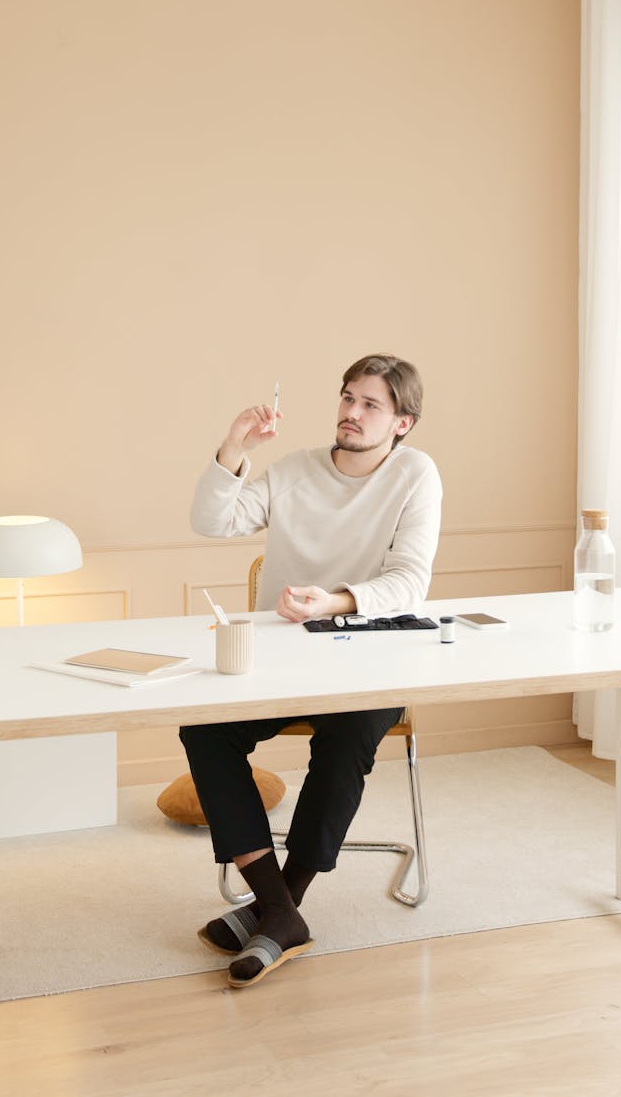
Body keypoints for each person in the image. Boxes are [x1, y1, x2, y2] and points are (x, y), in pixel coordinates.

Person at [180, 353, 442, 988]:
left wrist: (336, 601)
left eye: (370, 405)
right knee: (204, 730)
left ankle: (278, 904)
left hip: (369, 654)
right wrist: (233, 447)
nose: (350, 413)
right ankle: (279, 912)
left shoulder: (415, 475)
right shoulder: (295, 469)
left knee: (349, 736)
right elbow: (213, 521)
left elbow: (410, 580)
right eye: (347, 397)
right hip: (287, 657)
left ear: (402, 423)